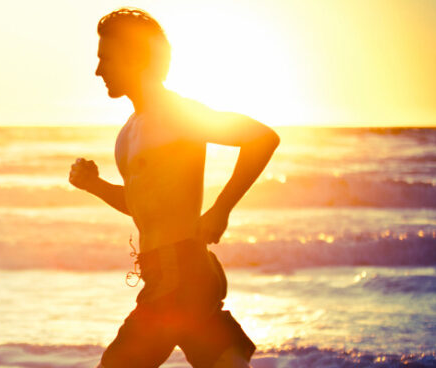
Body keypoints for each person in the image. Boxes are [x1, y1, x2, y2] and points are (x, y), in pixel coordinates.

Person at [68, 8, 280, 368]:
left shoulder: (176, 113)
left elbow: (262, 138)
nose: (98, 70)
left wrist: (220, 209)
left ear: (134, 55)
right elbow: (142, 205)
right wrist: (96, 186)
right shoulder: (130, 130)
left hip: (179, 274)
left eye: (106, 58)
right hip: (173, 275)